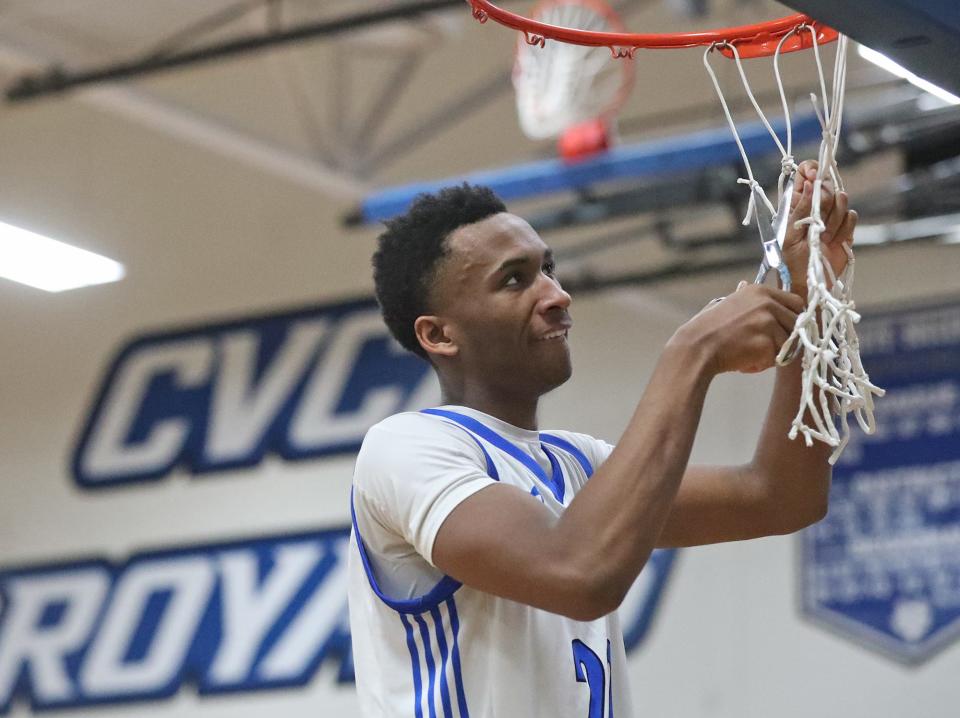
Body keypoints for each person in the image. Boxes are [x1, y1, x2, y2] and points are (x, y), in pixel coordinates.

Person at [348, 160, 857, 718]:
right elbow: (580, 575)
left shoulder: (576, 462)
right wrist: (692, 354)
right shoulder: (403, 447)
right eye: (514, 280)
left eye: (549, 268)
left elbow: (782, 497)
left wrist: (815, 303)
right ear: (439, 334)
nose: (557, 294)